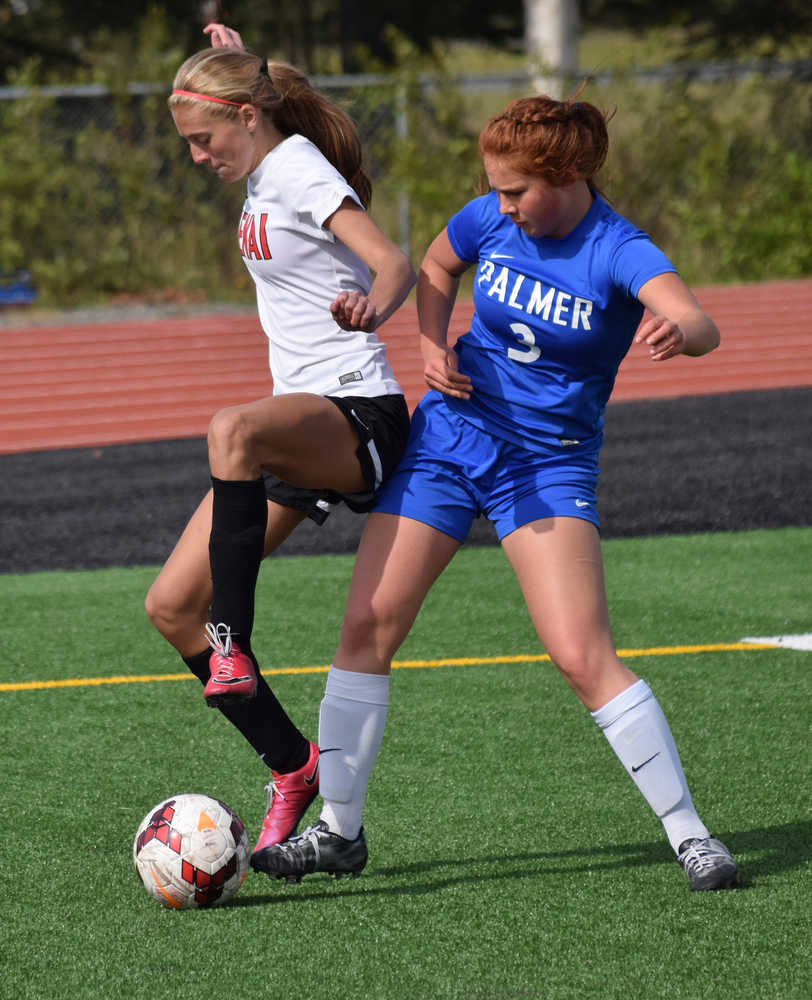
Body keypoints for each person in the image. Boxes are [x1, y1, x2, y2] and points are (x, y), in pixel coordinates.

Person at [252, 93, 740, 892]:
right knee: (366, 625)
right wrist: (431, 345)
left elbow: (697, 318)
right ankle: (338, 832)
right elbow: (439, 264)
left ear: (571, 173)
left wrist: (679, 332)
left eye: (516, 192)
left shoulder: (618, 249)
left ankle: (691, 835)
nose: (501, 206)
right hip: (450, 440)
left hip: (547, 464)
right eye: (496, 190)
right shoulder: (491, 217)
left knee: (582, 656)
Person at [144, 23, 416, 866]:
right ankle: (292, 766)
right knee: (168, 607)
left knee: (232, 427)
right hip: (295, 432)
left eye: (203, 139)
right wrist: (242, 57)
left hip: (355, 415)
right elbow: (254, 95)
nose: (197, 157)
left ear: (249, 118)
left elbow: (393, 262)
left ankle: (231, 650)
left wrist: (373, 305)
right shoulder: (266, 163)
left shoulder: (295, 165)